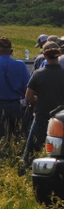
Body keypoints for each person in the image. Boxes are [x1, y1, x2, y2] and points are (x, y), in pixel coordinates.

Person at [0, 37, 31, 158]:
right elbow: (27, 87)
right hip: (16, 104)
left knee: (0, 137)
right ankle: (18, 159)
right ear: (11, 51)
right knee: (17, 135)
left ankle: (2, 160)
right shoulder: (20, 65)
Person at [22, 41, 64, 172]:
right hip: (60, 120)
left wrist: (38, 100)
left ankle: (26, 172)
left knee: (30, 151)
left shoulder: (38, 74)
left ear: (45, 56)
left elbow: (28, 97)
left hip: (41, 116)